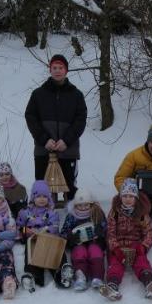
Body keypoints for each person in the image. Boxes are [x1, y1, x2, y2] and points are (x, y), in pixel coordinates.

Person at [25, 54, 88, 201]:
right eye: (54, 68)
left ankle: (73, 218)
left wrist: (66, 140)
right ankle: (42, 220)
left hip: (68, 150)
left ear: (66, 71)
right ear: (50, 70)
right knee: (42, 189)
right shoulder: (38, 94)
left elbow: (80, 120)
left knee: (70, 188)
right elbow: (31, 118)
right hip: (43, 150)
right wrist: (44, 139)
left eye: (61, 68)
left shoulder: (76, 95)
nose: (57, 71)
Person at [100, 178, 152, 301]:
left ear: (136, 198)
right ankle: (113, 284)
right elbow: (110, 233)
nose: (128, 199)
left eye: (131, 196)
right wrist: (115, 248)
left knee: (141, 261)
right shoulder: (114, 213)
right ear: (120, 197)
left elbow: (149, 233)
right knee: (115, 263)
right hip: (118, 246)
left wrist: (142, 247)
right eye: (125, 196)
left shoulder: (142, 214)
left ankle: (148, 282)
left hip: (135, 245)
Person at [17, 180, 72, 290]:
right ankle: (32, 275)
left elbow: (55, 226)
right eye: (38, 196)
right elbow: (18, 227)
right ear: (33, 197)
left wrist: (45, 230)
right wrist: (25, 230)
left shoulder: (52, 213)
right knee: (31, 250)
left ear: (49, 198)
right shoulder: (25, 212)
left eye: (45, 196)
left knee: (56, 249)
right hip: (33, 239)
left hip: (48, 239)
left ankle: (61, 273)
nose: (42, 199)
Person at [60, 189, 107, 291]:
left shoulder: (97, 213)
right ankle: (80, 277)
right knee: (79, 252)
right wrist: (70, 237)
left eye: (86, 205)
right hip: (78, 243)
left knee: (95, 251)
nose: (83, 208)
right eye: (80, 205)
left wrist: (100, 232)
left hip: (95, 241)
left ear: (91, 204)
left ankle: (97, 276)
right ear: (75, 205)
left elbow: (106, 228)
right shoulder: (71, 216)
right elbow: (63, 233)